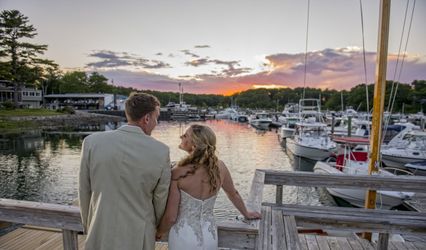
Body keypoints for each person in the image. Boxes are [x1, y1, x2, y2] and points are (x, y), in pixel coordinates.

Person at [79, 92, 171, 250]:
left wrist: (89, 225)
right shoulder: (161, 151)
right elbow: (160, 199)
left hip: (100, 229)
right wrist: (156, 227)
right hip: (139, 233)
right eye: (157, 117)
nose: (157, 122)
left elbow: (84, 191)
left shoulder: (91, 142)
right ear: (146, 119)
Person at [156, 124, 261, 249]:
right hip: (209, 235)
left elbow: (171, 217)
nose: (181, 136)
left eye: (185, 135)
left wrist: (160, 232)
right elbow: (233, 194)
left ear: (194, 144)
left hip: (183, 237)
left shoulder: (178, 172)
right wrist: (246, 213)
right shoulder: (220, 167)